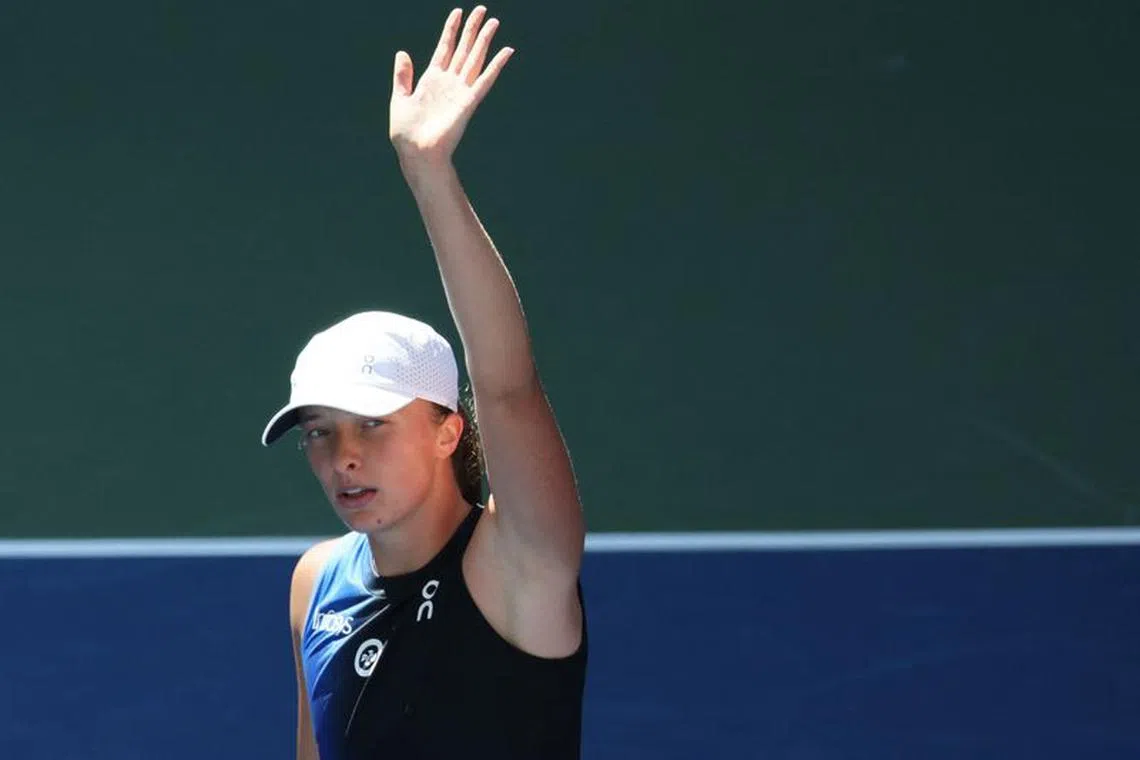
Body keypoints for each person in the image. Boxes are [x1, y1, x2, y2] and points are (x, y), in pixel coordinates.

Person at [260, 7, 588, 759]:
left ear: (449, 429)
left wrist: (430, 176)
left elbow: (508, 387)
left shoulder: (519, 565)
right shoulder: (316, 583)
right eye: (319, 432)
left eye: (372, 423)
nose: (342, 455)